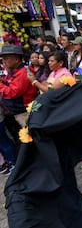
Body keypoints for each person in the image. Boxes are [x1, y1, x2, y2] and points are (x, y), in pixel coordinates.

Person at [0, 45, 37, 174]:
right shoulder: (14, 71)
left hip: (22, 113)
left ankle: (33, 165)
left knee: (28, 141)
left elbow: (12, 92)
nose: (4, 61)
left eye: (6, 58)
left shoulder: (23, 73)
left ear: (16, 59)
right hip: (14, 112)